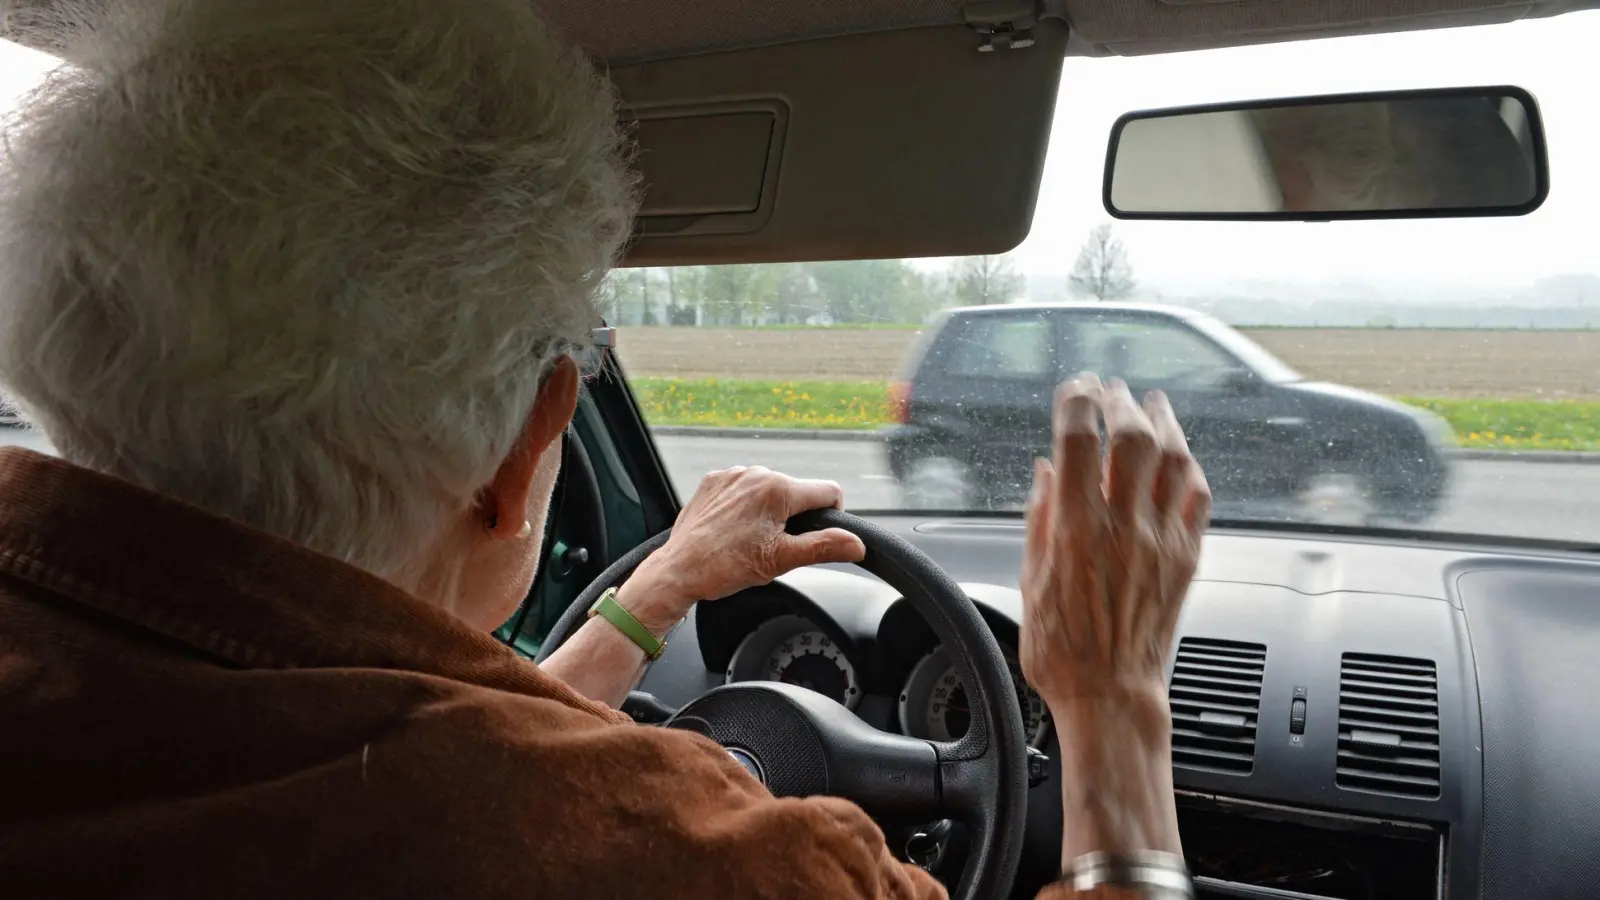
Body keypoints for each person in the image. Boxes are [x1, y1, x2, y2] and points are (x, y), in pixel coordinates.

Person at [0, 1, 1210, 898]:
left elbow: (381, 718)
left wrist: (655, 594)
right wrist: (1112, 711)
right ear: (533, 446)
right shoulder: (675, 858)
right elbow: (483, 780)